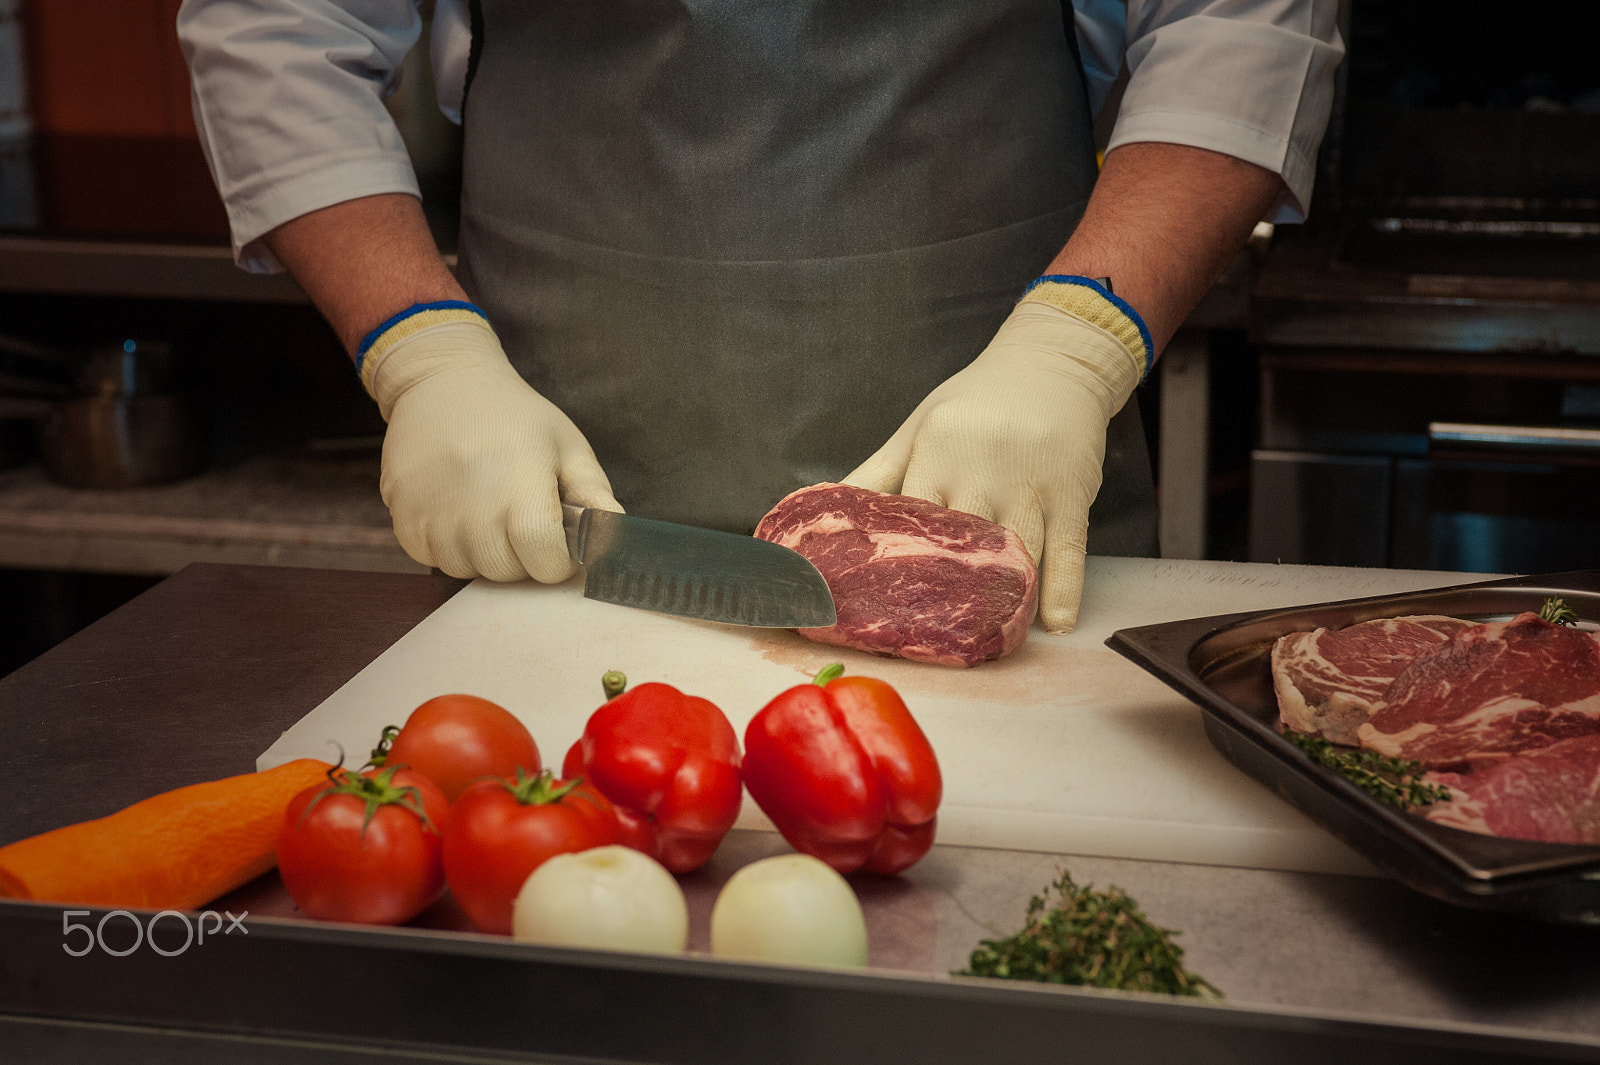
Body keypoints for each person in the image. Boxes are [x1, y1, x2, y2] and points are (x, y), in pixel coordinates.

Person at [177, 0, 1342, 632]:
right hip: (565, 519)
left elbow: (1234, 22)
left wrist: (1076, 349)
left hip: (1001, 495)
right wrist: (419, 356)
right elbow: (272, 26)